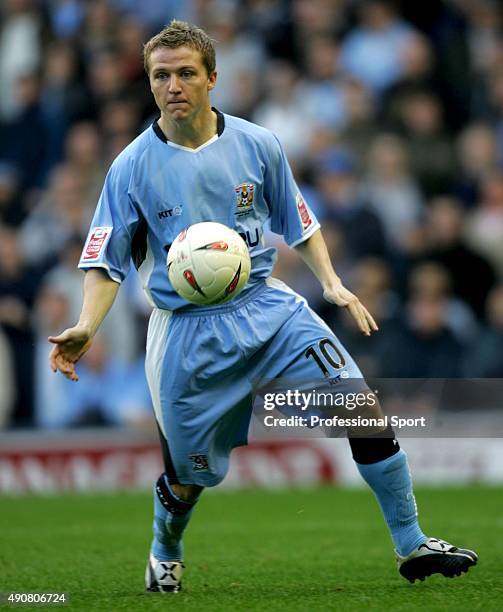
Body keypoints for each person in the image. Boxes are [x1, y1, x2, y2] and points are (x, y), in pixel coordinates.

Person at [49, 20, 477, 593]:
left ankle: (411, 544)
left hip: (268, 310)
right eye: (160, 76)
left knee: (360, 408)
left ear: (212, 79)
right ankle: (165, 548)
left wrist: (330, 281)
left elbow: (299, 222)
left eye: (185, 74)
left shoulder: (258, 143)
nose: (172, 85)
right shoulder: (129, 167)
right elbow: (105, 263)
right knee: (187, 479)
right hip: (186, 333)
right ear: (149, 84)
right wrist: (85, 325)